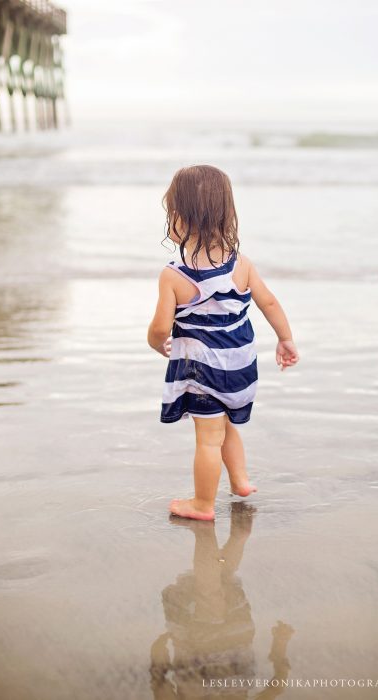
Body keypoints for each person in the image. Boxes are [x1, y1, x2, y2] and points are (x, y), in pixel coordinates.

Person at [148, 165, 299, 521]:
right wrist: (286, 339)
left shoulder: (175, 275)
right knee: (226, 424)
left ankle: (202, 504)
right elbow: (270, 303)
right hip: (241, 367)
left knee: (208, 439)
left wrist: (156, 343)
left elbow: (159, 328)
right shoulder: (240, 264)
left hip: (204, 373)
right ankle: (241, 481)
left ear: (180, 219)